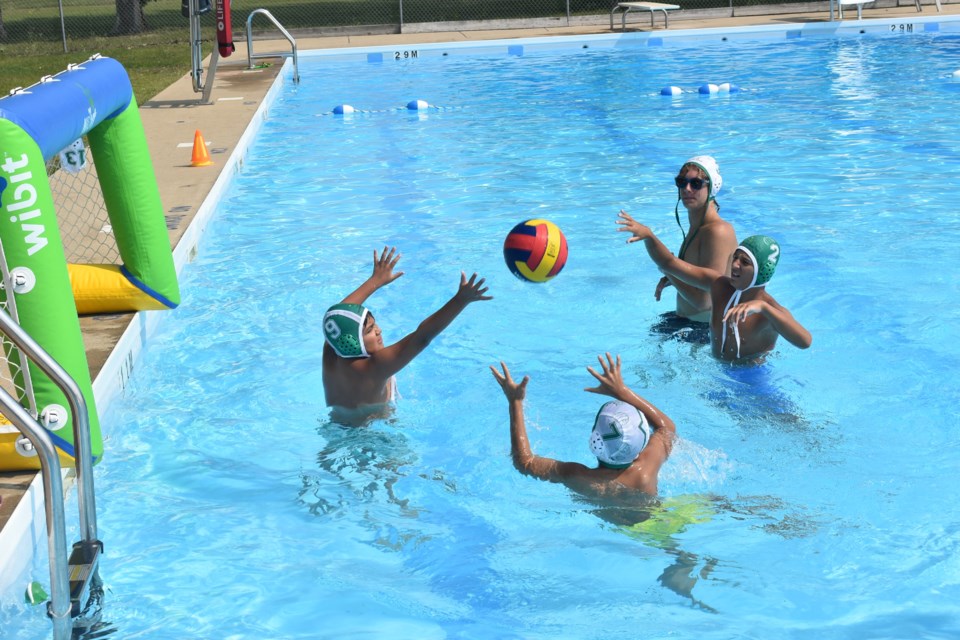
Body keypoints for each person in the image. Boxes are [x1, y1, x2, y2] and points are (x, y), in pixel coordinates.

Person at [323, 246, 491, 424]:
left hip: (336, 424)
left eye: (374, 324)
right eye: (369, 330)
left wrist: (376, 280)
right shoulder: (373, 367)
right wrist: (460, 300)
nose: (378, 330)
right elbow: (422, 338)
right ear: (353, 342)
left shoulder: (332, 348)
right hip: (370, 435)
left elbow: (340, 314)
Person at [617, 213, 812, 362]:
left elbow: (805, 342)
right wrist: (649, 236)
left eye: (744, 262)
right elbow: (669, 263)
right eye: (735, 257)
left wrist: (763, 308)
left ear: (761, 271)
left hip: (752, 379)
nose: (735, 264)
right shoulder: (719, 285)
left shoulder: (771, 311)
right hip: (716, 372)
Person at [490, 353, 675, 498]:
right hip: (655, 521)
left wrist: (515, 402)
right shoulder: (646, 467)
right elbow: (666, 428)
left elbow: (525, 462)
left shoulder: (579, 478)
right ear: (640, 448)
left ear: (594, 437)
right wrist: (623, 392)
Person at [635, 156, 738, 343]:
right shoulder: (698, 226)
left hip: (707, 334)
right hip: (687, 322)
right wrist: (673, 277)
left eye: (696, 184)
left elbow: (703, 302)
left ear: (711, 188)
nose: (687, 189)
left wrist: (667, 265)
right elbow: (698, 280)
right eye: (682, 182)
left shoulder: (718, 231)